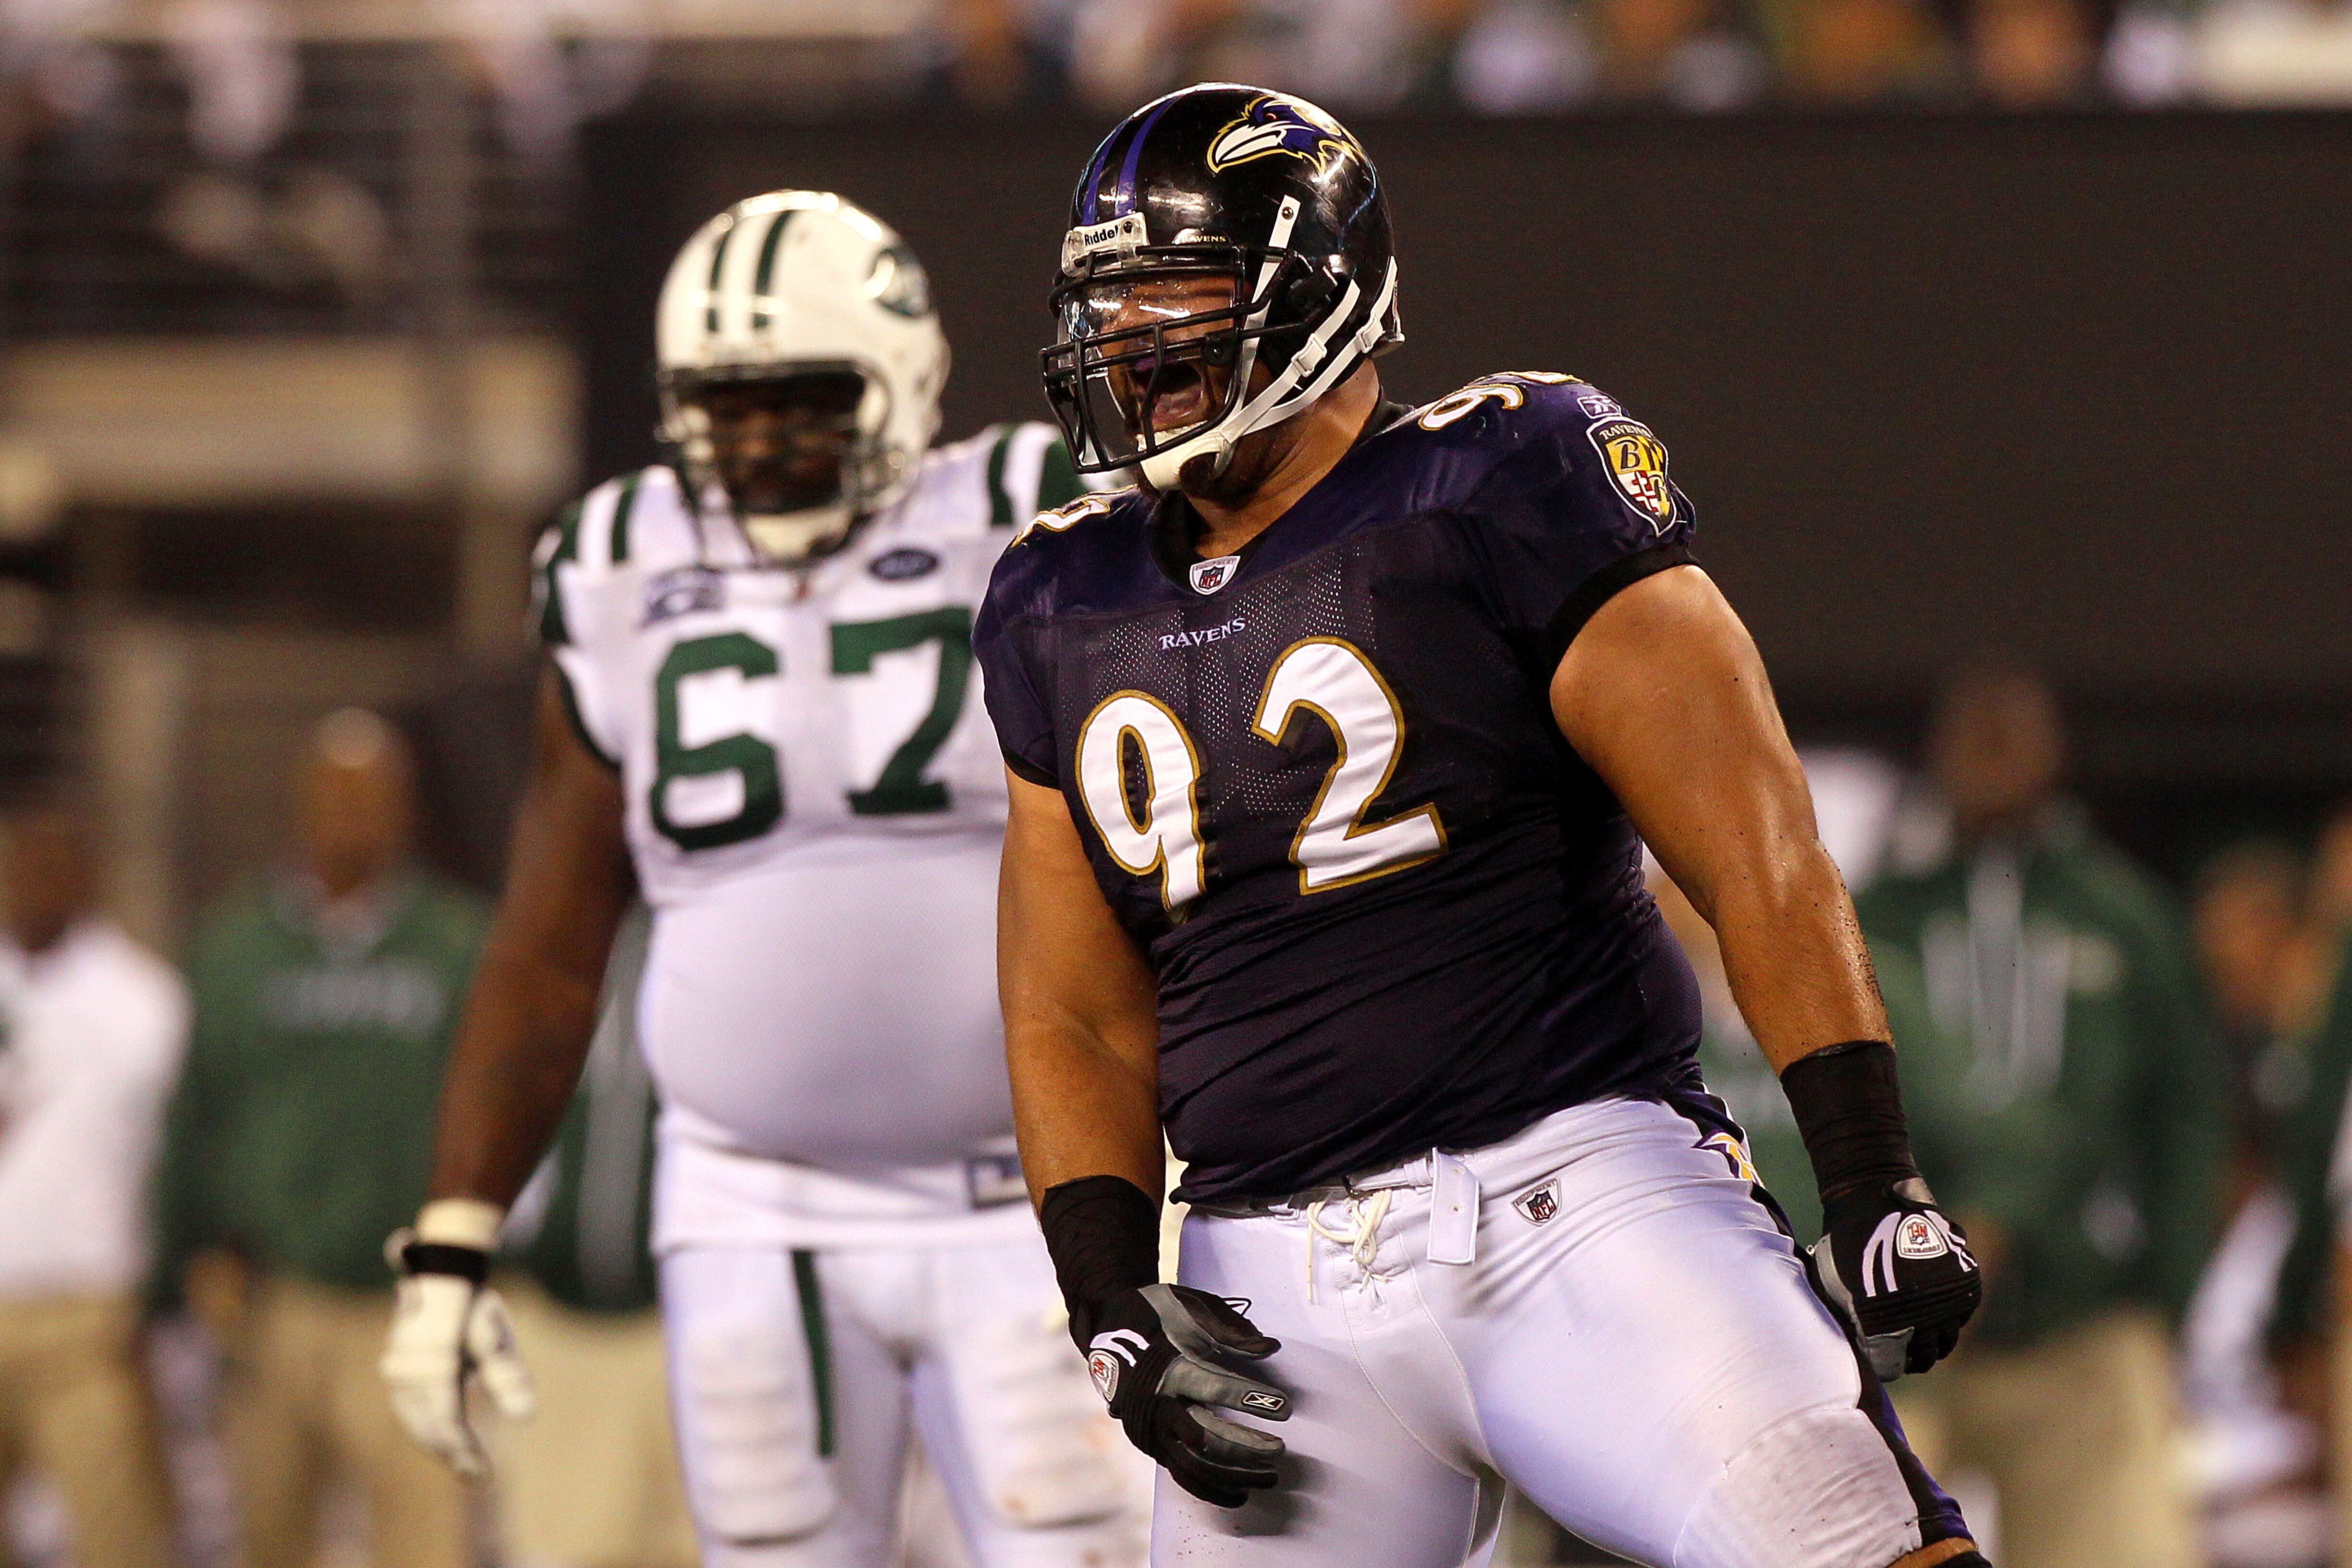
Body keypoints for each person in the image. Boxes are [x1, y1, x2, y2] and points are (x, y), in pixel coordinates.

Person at [976, 82, 1984, 1568]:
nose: (1133, 349)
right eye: (1110, 311)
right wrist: (1112, 1299)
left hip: (1573, 1205)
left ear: (1314, 296)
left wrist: (1871, 1174)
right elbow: (1074, 1009)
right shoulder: (1062, 595)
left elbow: (1754, 845)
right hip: (1263, 1282)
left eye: (1174, 297)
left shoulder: (1506, 479)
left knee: (1850, 1540)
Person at [378, 190, 1143, 1568]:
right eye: (725, 408)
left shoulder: (1029, 515)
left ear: (903, 380)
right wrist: (453, 1235)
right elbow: (551, 944)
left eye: (799, 400)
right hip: (751, 1201)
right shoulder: (622, 562)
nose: (759, 442)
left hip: (1034, 1196)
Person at [1855, 663, 2225, 1568]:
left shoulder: (2122, 913)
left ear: (2057, 749)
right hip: (1908, 1335)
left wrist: (2164, 1291)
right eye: (1970, 728)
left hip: (2085, 1321)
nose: (1990, 750)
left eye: (2012, 729)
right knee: (1856, 1551)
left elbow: (2187, 1112)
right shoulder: (1878, 915)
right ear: (1934, 751)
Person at [152, 710, 487, 1568]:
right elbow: (195, 1112)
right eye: (331, 799)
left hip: (409, 1301)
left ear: (405, 812)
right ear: (298, 809)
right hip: (272, 1300)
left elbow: (495, 1114)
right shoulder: (235, 948)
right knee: (269, 1534)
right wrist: (182, 1258)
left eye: (368, 799)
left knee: (426, 1541)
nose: (348, 818)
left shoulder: (457, 946)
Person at [483, 907, 698, 1568]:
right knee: (559, 1550)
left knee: (716, 1548)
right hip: (556, 1320)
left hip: (693, 1322)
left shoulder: (740, 938)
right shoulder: (536, 949)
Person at [0, 798, 184, 1568]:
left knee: (118, 1541)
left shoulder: (143, 1003)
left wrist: (151, 1307)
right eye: (22, 864)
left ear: (90, 880)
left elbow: (170, 1165)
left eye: (56, 865)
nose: (37, 882)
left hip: (85, 1316)